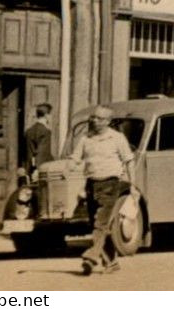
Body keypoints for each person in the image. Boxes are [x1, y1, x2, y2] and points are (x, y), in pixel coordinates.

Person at [70, 104, 134, 275]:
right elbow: (76, 158)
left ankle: (91, 257)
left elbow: (129, 160)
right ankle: (112, 262)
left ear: (108, 121)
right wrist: (69, 167)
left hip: (110, 184)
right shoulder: (85, 138)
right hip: (91, 184)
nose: (94, 121)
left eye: (99, 118)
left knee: (101, 223)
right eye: (93, 117)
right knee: (97, 225)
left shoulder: (117, 138)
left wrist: (132, 184)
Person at [23, 105, 55, 174]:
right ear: (47, 116)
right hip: (40, 169)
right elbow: (42, 153)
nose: (52, 117)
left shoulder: (29, 131)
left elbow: (28, 152)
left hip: (28, 168)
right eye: (51, 115)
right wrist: (38, 169)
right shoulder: (46, 131)